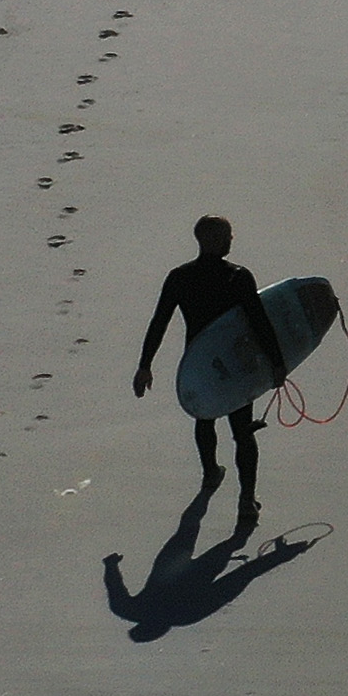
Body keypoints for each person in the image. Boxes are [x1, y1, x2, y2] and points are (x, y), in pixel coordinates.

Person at [132, 214, 285, 523]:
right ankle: (246, 499)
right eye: (227, 235)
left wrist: (145, 365)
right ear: (213, 239)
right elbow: (259, 322)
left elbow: (159, 322)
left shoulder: (179, 277)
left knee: (204, 419)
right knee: (243, 431)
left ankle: (211, 473)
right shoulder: (238, 277)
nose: (231, 239)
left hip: (199, 363)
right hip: (238, 364)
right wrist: (277, 363)